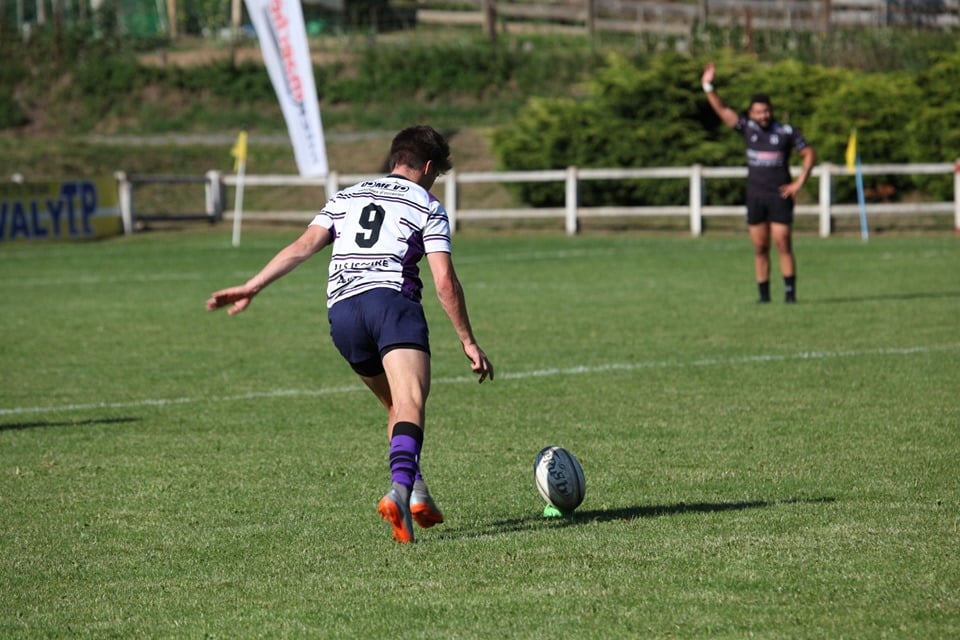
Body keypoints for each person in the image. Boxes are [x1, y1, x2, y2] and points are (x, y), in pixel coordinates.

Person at [206, 125, 494, 544]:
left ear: (396, 158)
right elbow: (444, 280)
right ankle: (398, 489)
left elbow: (302, 246)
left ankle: (415, 490)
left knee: (396, 404)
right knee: (412, 400)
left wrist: (253, 285)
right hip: (391, 305)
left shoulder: (346, 196)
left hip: (342, 314)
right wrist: (468, 340)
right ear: (428, 167)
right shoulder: (427, 204)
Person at [701, 62, 817, 303]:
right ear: (751, 114)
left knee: (783, 243)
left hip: (779, 196)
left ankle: (790, 295)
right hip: (755, 196)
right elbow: (723, 111)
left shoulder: (785, 132)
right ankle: (764, 296)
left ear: (770, 111)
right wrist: (708, 86)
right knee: (760, 247)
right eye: (757, 112)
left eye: (766, 111)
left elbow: (809, 154)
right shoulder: (748, 129)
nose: (762, 116)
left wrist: (798, 183)